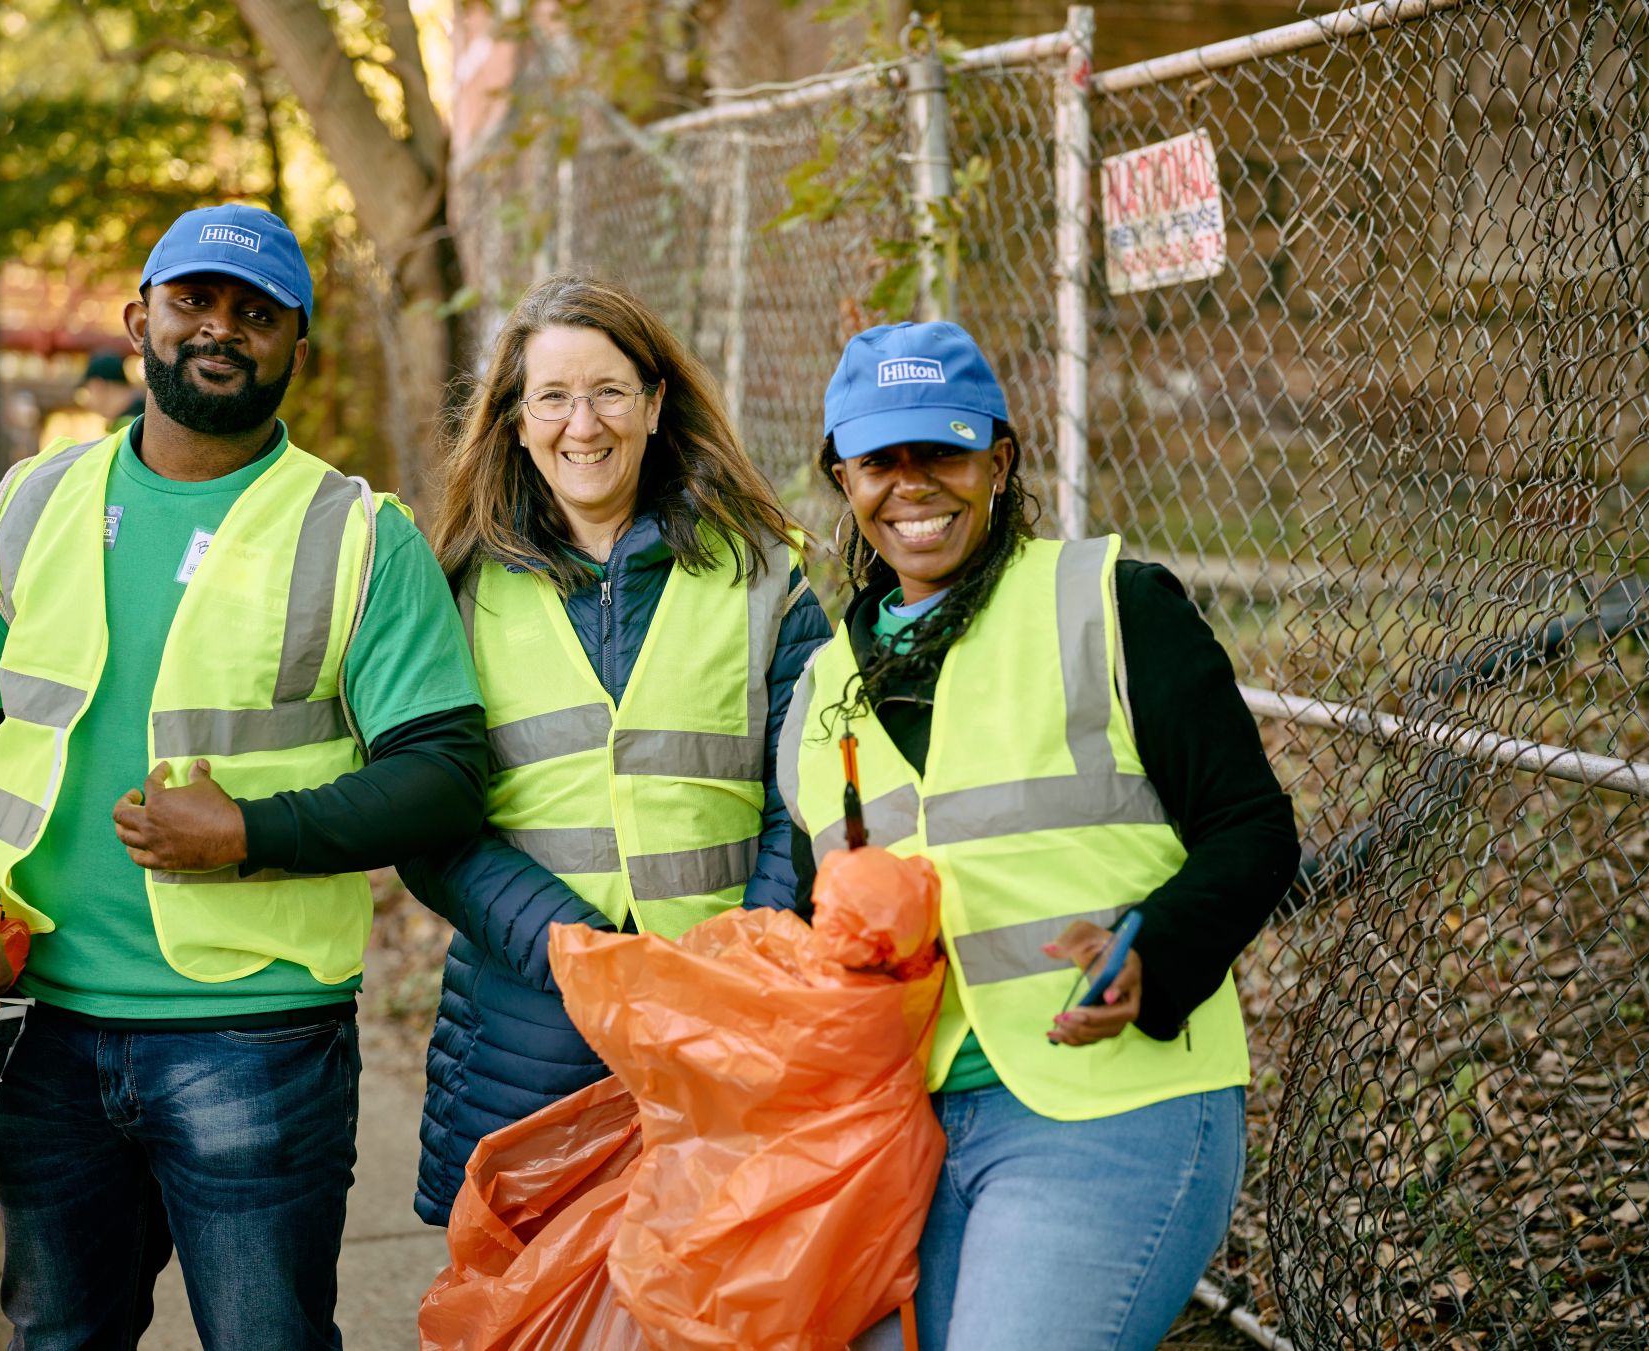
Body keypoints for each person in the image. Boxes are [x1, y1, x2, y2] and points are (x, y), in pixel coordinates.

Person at [0, 203, 487, 1350]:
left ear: (295, 348)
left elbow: (445, 774)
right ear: (138, 322)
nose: (223, 327)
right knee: (61, 1336)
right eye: (195, 301)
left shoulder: (358, 534)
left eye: (257, 313)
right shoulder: (26, 508)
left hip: (256, 1039)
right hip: (41, 1023)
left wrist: (250, 830)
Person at [783, 322, 1300, 1351]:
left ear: (1001, 460)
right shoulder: (819, 691)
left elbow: (1253, 829)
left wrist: (1151, 947)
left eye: (945, 452)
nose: (914, 484)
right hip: (908, 1132)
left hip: (1111, 1111)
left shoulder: (1112, 606)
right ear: (842, 476)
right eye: (882, 459)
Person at [397, 273, 832, 1225]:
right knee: (525, 1305)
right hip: (528, 1026)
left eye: (607, 392)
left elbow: (807, 786)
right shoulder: (454, 590)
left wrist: (737, 956)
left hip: (721, 1018)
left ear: (655, 402)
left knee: (713, 1299)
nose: (581, 424)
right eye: (552, 396)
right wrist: (568, 947)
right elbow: (427, 815)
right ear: (515, 420)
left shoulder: (762, 571)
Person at [77, 349, 147, 431]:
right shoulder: (143, 413)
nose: (86, 402)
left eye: (87, 390)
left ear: (98, 385)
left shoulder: (128, 426)